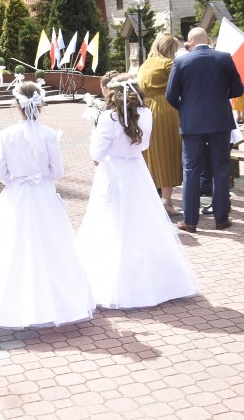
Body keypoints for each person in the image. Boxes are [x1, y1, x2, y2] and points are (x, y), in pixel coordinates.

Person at [0, 82, 95, 327]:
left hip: (16, 194)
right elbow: (57, 170)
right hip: (43, 193)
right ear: (41, 105)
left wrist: (17, 181)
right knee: (50, 244)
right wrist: (40, 178)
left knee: (11, 244)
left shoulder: (6, 134)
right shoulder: (49, 134)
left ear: (16, 105)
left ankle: (8, 305)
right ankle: (56, 303)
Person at [76, 73, 196, 309]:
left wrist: (96, 150)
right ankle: (155, 279)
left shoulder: (109, 117)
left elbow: (97, 152)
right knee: (141, 221)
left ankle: (116, 282)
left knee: (112, 221)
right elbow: (145, 144)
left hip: (112, 171)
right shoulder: (146, 113)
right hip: (137, 170)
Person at [166, 27, 243, 232]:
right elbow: (238, 89)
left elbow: (171, 95)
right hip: (220, 122)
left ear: (190, 42)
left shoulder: (181, 61)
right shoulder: (224, 58)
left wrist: (186, 108)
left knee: (191, 170)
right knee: (220, 169)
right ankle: (221, 219)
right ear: (208, 40)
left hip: (192, 124)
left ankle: (190, 221)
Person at [137, 32, 183, 216]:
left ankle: (152, 199)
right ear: (170, 48)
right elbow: (180, 87)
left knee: (151, 155)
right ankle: (166, 202)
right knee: (168, 155)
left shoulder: (145, 64)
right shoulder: (168, 64)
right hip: (165, 109)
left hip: (146, 109)